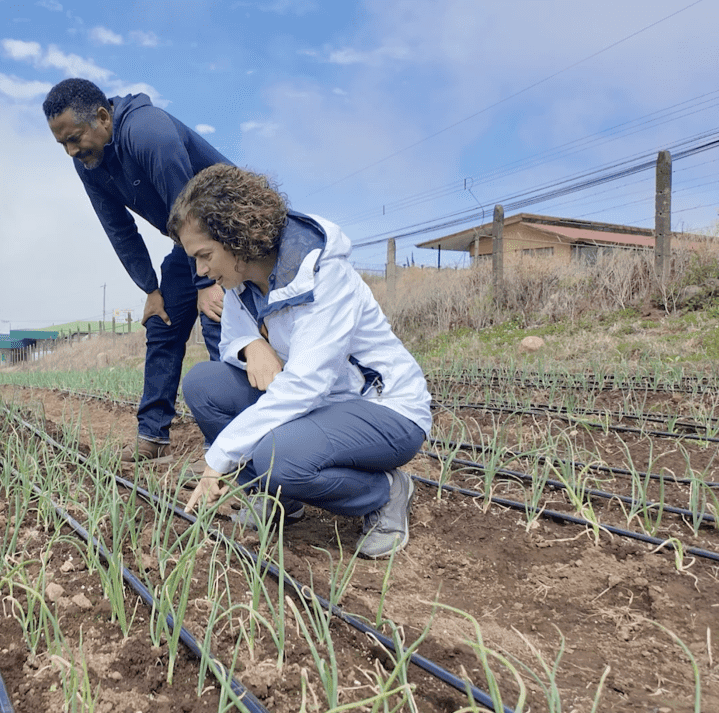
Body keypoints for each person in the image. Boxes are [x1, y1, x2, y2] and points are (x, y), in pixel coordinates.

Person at [170, 165, 432, 559]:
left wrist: (218, 457)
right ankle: (279, 501)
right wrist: (249, 346)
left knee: (279, 456)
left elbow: (306, 384)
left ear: (235, 237)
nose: (201, 271)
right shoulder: (242, 281)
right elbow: (230, 339)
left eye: (204, 255)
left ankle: (385, 493)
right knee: (204, 384)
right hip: (318, 407)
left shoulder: (325, 276)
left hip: (383, 408)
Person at [43, 77, 231, 462]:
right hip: (190, 241)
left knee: (217, 319)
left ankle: (228, 448)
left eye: (74, 138)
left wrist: (207, 281)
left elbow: (191, 209)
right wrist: (150, 289)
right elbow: (119, 230)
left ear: (102, 117)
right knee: (162, 321)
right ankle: (153, 436)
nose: (70, 151)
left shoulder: (147, 132)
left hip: (227, 229)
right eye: (62, 144)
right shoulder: (90, 163)